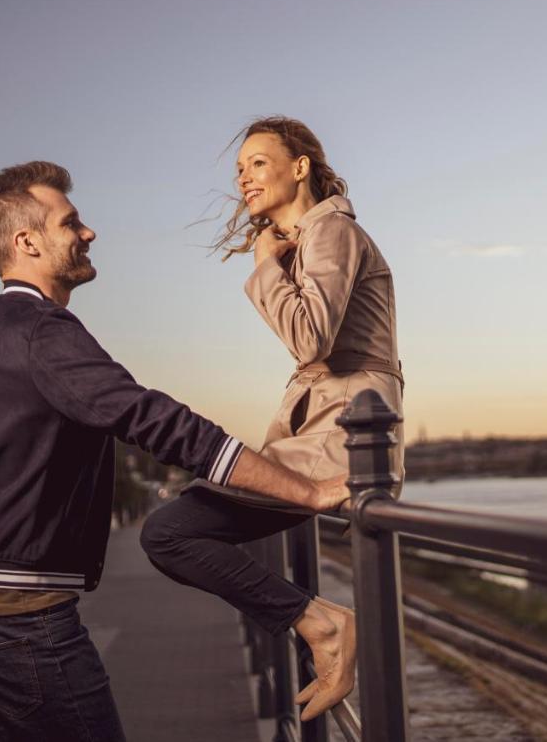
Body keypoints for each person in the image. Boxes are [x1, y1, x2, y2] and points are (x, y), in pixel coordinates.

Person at [0, 161, 352, 741]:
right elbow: (159, 423)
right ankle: (318, 620)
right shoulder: (44, 334)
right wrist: (309, 491)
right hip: (17, 623)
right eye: (72, 222)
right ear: (27, 241)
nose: (88, 233)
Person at [140, 116, 404, 722]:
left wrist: (262, 263)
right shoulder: (314, 239)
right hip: (323, 436)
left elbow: (310, 338)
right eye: (240, 169)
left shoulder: (332, 230)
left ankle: (322, 623)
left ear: (300, 166)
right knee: (176, 527)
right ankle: (318, 619)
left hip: (339, 441)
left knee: (170, 532)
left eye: (258, 162)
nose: (244, 177)